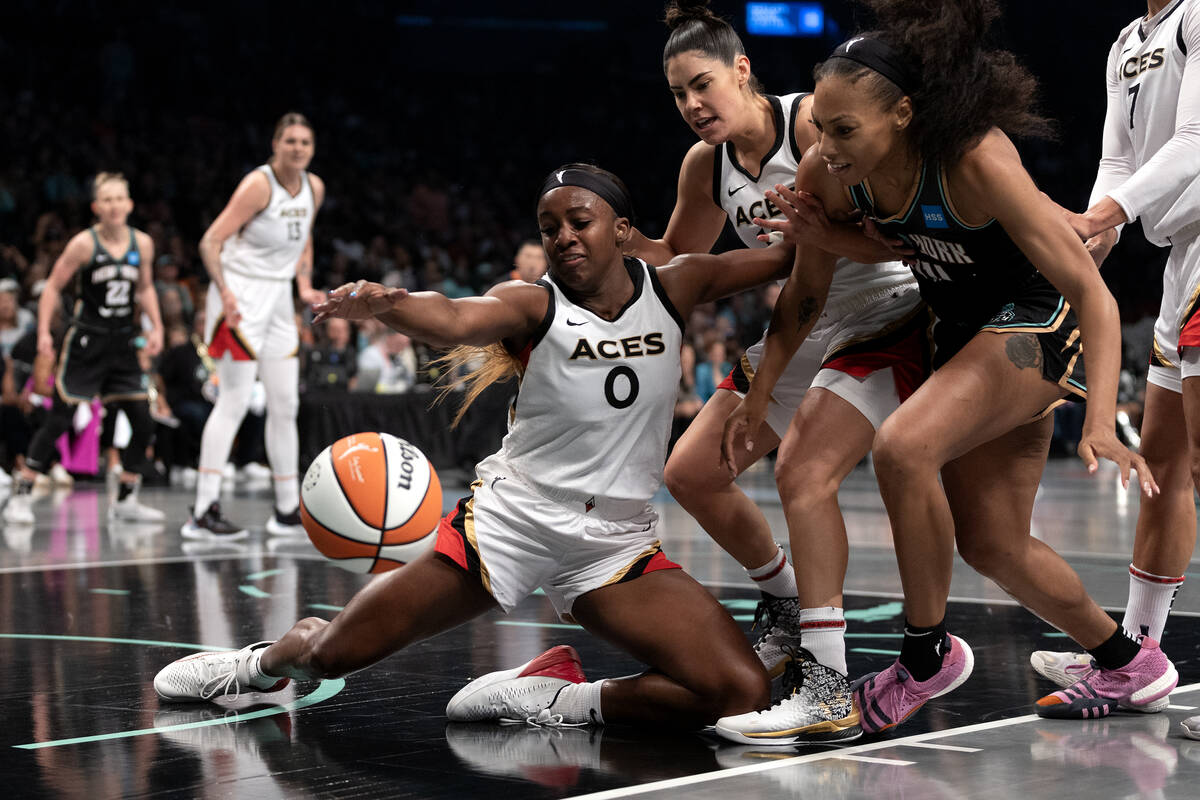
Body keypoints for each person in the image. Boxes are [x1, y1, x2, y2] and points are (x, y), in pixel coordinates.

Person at [153, 164, 797, 731]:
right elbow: (456, 317)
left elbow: (784, 259)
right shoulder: (532, 304)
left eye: (580, 221)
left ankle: (554, 698)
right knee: (333, 655)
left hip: (615, 541)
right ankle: (263, 662)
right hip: (512, 523)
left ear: (624, 230)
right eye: (550, 228)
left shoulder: (675, 286)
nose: (563, 237)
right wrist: (388, 304)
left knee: (738, 691)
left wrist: (823, 203)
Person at [719, 0, 1177, 736]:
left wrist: (1100, 420)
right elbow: (819, 286)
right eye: (820, 129)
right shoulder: (830, 173)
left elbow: (1091, 289)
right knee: (992, 543)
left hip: (1038, 318)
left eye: (843, 130)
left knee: (904, 446)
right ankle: (1128, 660)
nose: (826, 147)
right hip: (963, 333)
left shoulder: (973, 156)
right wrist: (761, 391)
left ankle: (924, 654)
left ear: (902, 114)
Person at [625, 1, 928, 744]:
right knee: (692, 473)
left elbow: (892, 238)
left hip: (885, 313)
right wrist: (617, 244)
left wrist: (760, 390)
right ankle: (788, 604)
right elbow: (682, 257)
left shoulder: (815, 127)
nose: (693, 105)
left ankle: (828, 682)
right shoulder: (707, 166)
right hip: (802, 325)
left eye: (702, 84)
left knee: (802, 472)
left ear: (742, 70)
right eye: (677, 94)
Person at [1027, 0, 1200, 739]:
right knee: (1162, 462)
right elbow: (1120, 161)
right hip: (1180, 261)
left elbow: (1196, 138)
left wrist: (1105, 217)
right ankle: (1137, 656)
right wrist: (1093, 233)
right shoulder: (1128, 40)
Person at [181, 112, 325, 540]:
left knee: (286, 404)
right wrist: (223, 291)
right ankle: (202, 512)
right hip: (240, 293)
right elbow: (210, 239)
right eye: (290, 141)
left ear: (311, 149)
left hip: (279, 296)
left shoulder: (314, 186)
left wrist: (303, 282)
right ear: (275, 145)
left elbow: (305, 236)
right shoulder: (259, 184)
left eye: (305, 142)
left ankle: (285, 512)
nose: (297, 148)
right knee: (235, 401)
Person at [2, 173, 164, 524]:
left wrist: (157, 326)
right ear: (96, 207)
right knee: (61, 418)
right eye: (106, 199)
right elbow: (51, 288)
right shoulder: (83, 244)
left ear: (130, 204)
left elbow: (146, 288)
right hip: (87, 341)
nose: (114, 205)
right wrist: (44, 331)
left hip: (123, 342)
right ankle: (22, 493)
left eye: (119, 198)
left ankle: (125, 498)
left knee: (143, 420)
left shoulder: (144, 244)